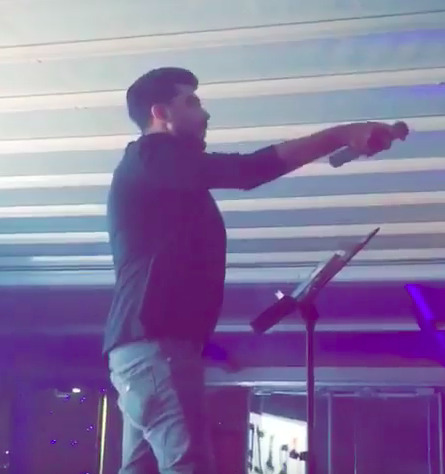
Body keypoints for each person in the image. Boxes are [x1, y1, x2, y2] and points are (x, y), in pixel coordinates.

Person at [103, 67, 407, 473]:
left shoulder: (162, 175)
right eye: (191, 102)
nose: (204, 114)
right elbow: (247, 171)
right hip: (155, 348)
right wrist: (340, 135)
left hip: (146, 350)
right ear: (160, 113)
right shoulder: (151, 155)